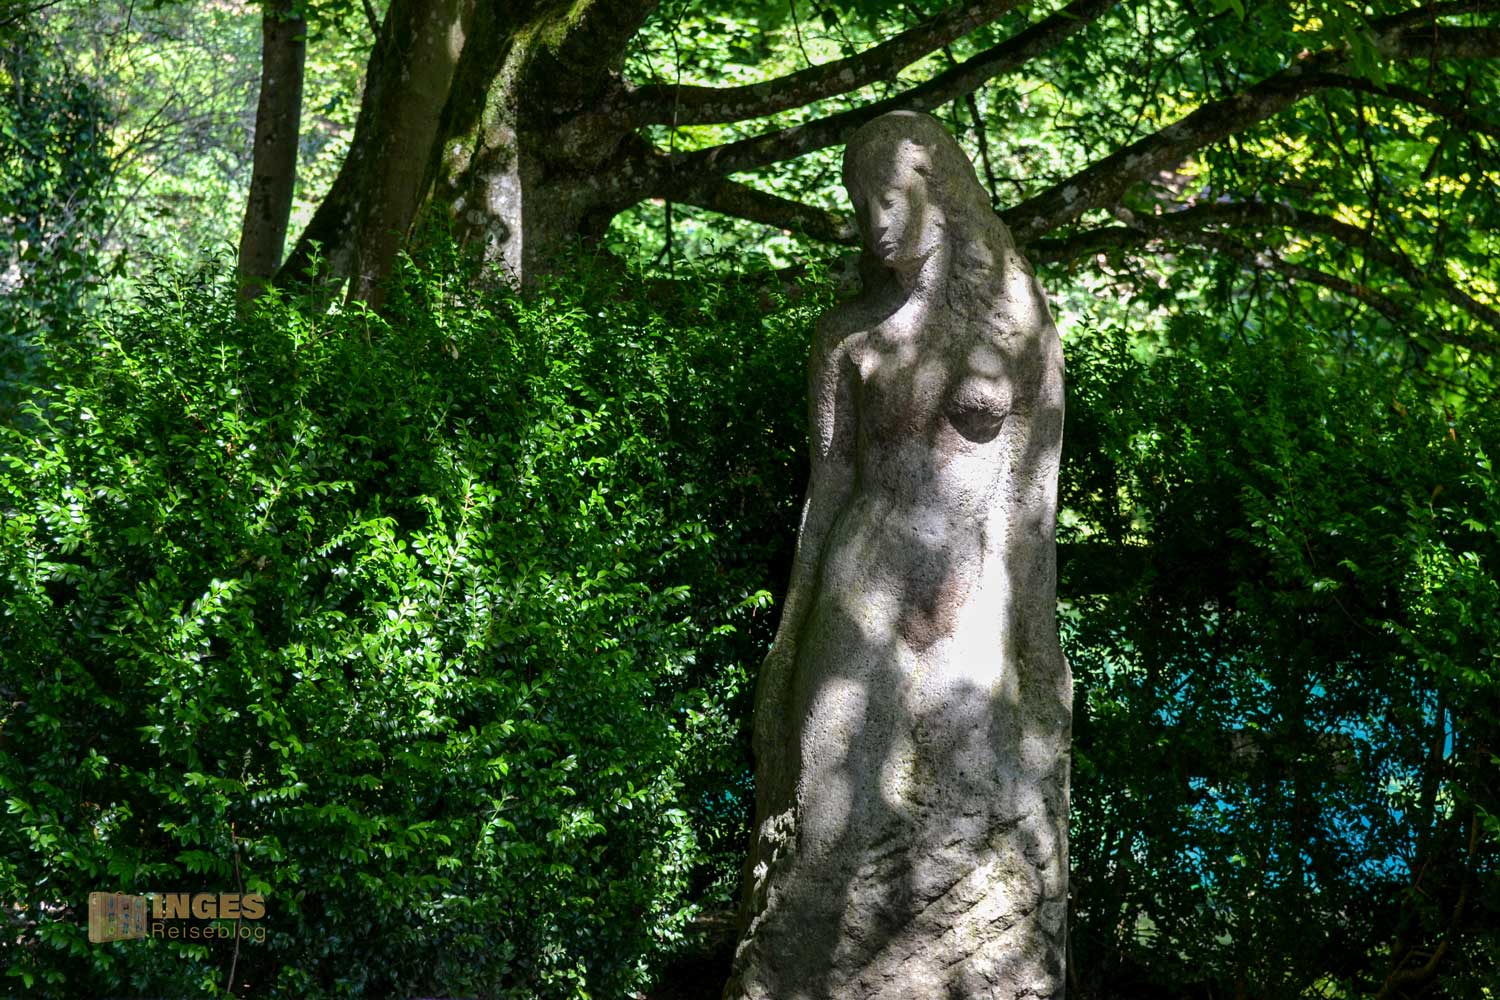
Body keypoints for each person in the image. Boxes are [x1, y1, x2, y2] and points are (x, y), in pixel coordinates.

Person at [726, 111, 1069, 1000]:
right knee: (829, 796)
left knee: (969, 810)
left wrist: (1039, 650)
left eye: (888, 199)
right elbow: (827, 489)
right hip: (863, 580)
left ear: (938, 193)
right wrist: (789, 634)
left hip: (970, 594)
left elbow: (1033, 503)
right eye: (858, 204)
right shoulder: (845, 337)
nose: (873, 222)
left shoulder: (1020, 324)